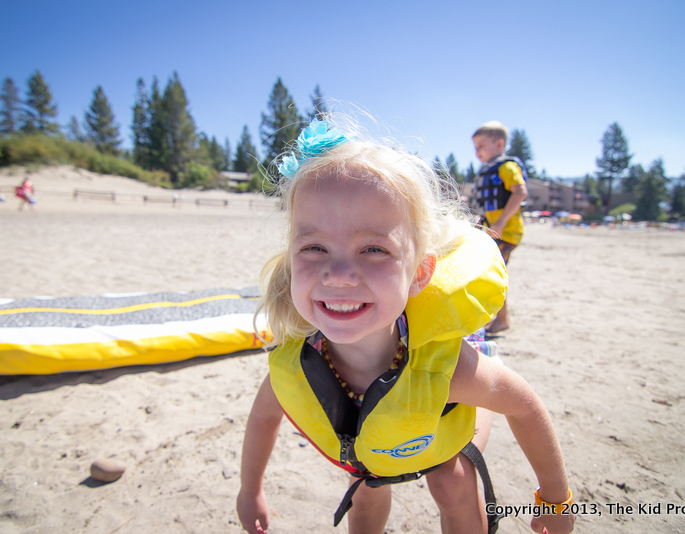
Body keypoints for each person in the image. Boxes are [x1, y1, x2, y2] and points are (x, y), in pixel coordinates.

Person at [237, 117, 573, 534]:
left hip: (446, 415)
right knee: (366, 485)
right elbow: (264, 417)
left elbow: (525, 405)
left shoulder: (450, 368)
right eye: (315, 247)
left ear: (418, 273)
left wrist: (556, 500)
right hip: (379, 439)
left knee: (450, 481)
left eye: (374, 249)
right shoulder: (300, 362)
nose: (339, 274)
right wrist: (250, 490)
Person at [471, 121, 529, 333]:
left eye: (481, 146)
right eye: (475, 147)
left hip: (505, 232)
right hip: (492, 230)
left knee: (492, 272)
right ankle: (496, 318)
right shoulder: (488, 170)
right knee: (490, 271)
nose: (477, 152)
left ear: (499, 143)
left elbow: (520, 192)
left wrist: (501, 222)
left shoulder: (507, 166)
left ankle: (501, 319)